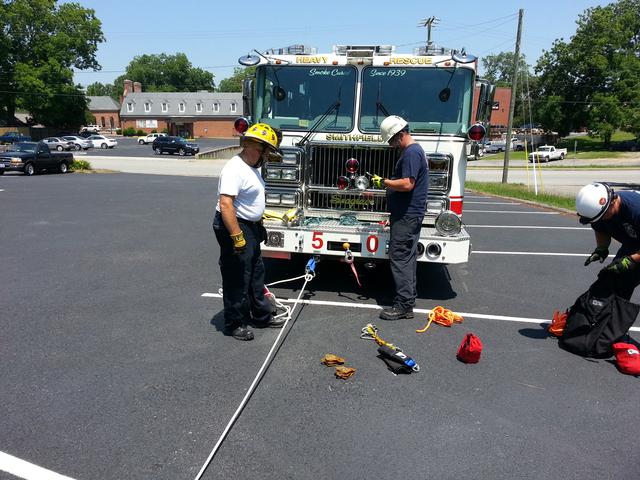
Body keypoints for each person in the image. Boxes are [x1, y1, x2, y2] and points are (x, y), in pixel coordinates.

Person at [213, 123, 285, 341]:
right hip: (234, 225)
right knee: (237, 276)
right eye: (268, 150)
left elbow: (250, 200)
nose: (269, 155)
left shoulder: (252, 167)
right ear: (258, 148)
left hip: (249, 226)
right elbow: (226, 205)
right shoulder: (234, 169)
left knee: (255, 272)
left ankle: (261, 315)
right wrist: (237, 237)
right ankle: (234, 323)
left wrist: (258, 225)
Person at [371, 115, 429, 320]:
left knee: (400, 258)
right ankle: (408, 300)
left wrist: (384, 182)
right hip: (407, 215)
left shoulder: (411, 153)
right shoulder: (415, 151)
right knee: (408, 258)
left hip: (407, 217)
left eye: (392, 140)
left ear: (400, 134)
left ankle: (403, 306)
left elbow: (407, 184)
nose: (392, 145)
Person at [577, 182, 640, 300]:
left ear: (612, 203)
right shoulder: (602, 211)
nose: (600, 220)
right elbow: (600, 228)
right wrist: (601, 248)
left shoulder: (636, 210)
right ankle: (611, 315)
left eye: (601, 217)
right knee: (616, 280)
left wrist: (631, 260)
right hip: (633, 242)